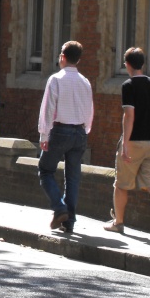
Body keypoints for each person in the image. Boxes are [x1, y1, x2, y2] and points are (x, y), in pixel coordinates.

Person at [104, 47, 150, 239]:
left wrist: (125, 143)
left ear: (127, 64)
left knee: (121, 185)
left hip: (134, 143)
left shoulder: (128, 85)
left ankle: (118, 222)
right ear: (142, 63)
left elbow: (129, 116)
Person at [37, 41, 94, 234]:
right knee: (73, 177)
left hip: (60, 130)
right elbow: (89, 110)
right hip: (79, 132)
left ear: (63, 57)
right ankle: (69, 221)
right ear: (78, 59)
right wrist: (85, 130)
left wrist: (44, 134)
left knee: (45, 170)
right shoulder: (85, 81)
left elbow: (48, 109)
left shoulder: (56, 79)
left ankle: (60, 208)